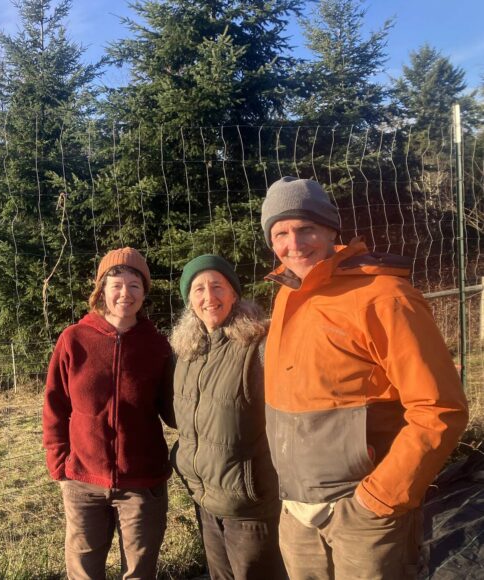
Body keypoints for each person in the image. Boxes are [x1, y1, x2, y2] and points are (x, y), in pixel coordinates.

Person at [260, 176, 469, 579]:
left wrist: (378, 499)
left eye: (306, 228)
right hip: (297, 512)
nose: (294, 244)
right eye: (280, 233)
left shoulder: (385, 297)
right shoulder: (288, 293)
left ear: (331, 230)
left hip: (362, 516)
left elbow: (440, 408)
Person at [43, 247, 174, 579]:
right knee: (84, 573)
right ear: (101, 289)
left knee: (140, 573)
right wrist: (59, 463)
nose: (125, 293)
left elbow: (174, 410)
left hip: (142, 482)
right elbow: (55, 404)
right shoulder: (74, 339)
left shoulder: (157, 346)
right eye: (116, 284)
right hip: (82, 481)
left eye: (134, 285)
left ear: (144, 292)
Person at [169, 254, 285, 580]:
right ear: (189, 300)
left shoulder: (257, 346)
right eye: (198, 289)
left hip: (249, 507)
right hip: (205, 501)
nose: (209, 297)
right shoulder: (187, 352)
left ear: (234, 293)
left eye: (217, 286)